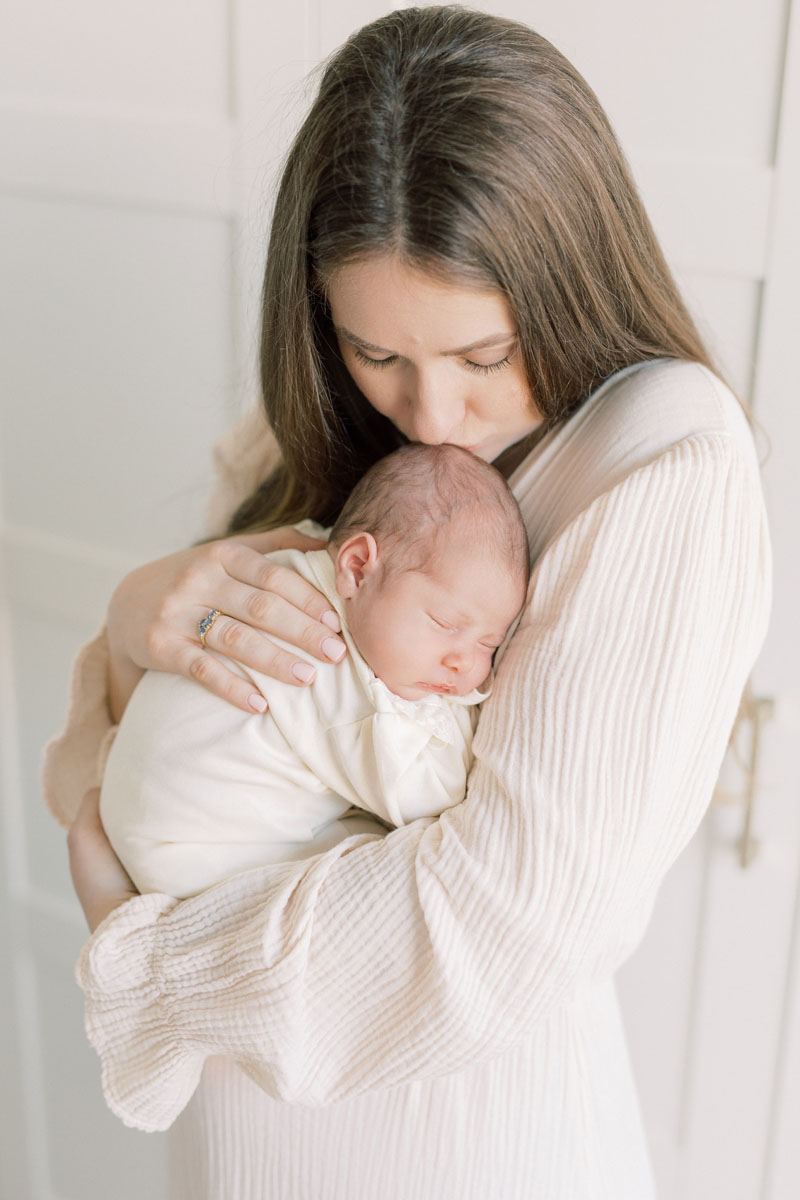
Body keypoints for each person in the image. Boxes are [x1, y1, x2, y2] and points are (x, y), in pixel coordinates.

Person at [45, 6, 771, 1198]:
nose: (428, 417)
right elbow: (96, 778)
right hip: (236, 1146)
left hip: (463, 1154)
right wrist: (132, 628)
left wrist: (154, 971)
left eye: (482, 358)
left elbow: (508, 923)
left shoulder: (662, 464)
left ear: (566, 278)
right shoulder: (312, 436)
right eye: (375, 354)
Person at [99, 443, 528, 899]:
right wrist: (465, 711)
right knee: (386, 861)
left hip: (141, 821)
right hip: (202, 865)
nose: (466, 663)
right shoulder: (338, 668)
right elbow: (435, 795)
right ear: (357, 568)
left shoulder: (283, 565)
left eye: (490, 644)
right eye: (445, 624)